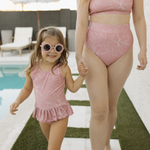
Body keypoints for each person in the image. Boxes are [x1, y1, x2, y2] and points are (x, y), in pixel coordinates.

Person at [75, 0, 148, 150]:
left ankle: (106, 142)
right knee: (100, 110)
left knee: (111, 105)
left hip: (123, 51)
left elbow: (139, 18)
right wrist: (78, 53)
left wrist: (143, 49)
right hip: (93, 50)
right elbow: (81, 22)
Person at [10, 26, 88, 150]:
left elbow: (72, 87)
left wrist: (82, 76)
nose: (52, 52)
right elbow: (27, 89)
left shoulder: (63, 68)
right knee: (51, 144)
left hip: (60, 113)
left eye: (57, 48)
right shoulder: (33, 68)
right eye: (47, 47)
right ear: (39, 47)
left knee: (52, 148)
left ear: (62, 49)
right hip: (43, 113)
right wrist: (17, 101)